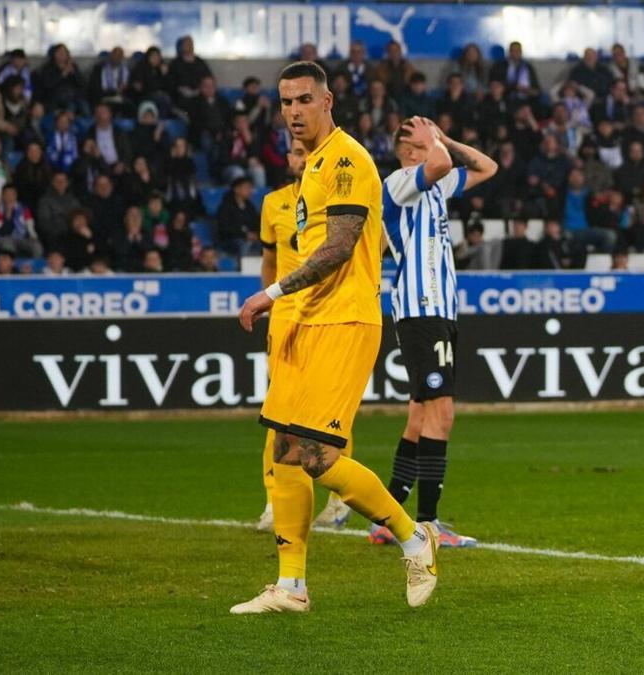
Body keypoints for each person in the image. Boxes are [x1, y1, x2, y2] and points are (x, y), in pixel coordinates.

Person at [232, 61, 439, 614]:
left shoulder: (345, 158)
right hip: (306, 322)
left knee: (319, 456)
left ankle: (414, 536)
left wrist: (270, 294)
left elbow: (340, 246)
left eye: (304, 100)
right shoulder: (313, 166)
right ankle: (292, 586)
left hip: (345, 319)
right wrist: (286, 312)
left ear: (328, 102)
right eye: (286, 102)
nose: (294, 111)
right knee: (283, 450)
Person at [369, 115, 497, 549]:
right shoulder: (400, 181)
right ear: (409, 150)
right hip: (421, 308)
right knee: (441, 414)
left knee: (421, 415)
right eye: (422, 137)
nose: (432, 139)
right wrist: (434, 142)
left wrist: (444, 136)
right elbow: (439, 165)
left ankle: (387, 517)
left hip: (440, 310)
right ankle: (427, 525)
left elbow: (486, 167)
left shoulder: (435, 184)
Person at [253, 137, 353, 532]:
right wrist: (269, 304)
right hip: (286, 316)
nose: (302, 158)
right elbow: (269, 260)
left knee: (330, 412)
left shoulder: (339, 200)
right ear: (289, 159)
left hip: (327, 312)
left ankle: (338, 502)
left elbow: (372, 245)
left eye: (307, 152)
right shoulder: (272, 204)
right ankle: (274, 501)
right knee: (278, 411)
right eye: (295, 152)